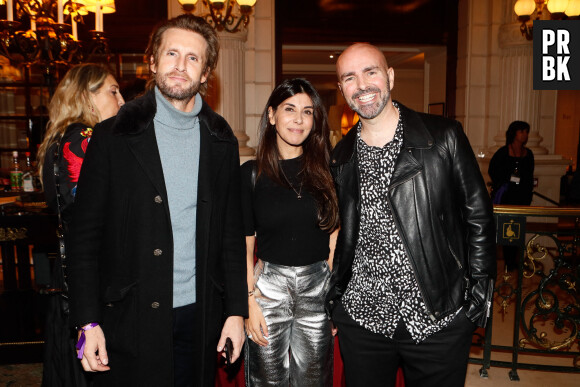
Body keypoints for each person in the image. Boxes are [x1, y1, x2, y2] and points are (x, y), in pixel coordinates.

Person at [66, 14, 247, 386]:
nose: (181, 66)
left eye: (193, 58)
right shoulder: (112, 136)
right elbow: (83, 237)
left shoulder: (221, 140)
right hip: (128, 317)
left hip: (199, 316)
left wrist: (235, 313)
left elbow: (230, 236)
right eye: (172, 54)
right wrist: (87, 321)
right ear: (152, 61)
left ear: (205, 73)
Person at [327, 43, 496, 387]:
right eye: (349, 77)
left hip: (439, 317)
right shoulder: (341, 155)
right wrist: (337, 300)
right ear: (342, 88)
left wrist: (479, 296)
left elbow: (479, 216)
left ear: (389, 76)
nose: (361, 85)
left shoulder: (443, 136)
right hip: (363, 320)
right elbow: (341, 232)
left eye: (370, 72)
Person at [241, 78, 339, 386]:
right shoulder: (251, 174)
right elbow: (244, 247)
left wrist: (332, 297)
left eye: (308, 112)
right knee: (266, 380)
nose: (299, 119)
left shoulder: (329, 171)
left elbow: (334, 239)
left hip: (317, 289)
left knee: (314, 380)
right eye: (290, 109)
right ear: (271, 116)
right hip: (268, 289)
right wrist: (249, 302)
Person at [37, 63, 124, 387]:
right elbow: (97, 216)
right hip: (93, 277)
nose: (122, 100)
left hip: (70, 272)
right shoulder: (85, 140)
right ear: (88, 97)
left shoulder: (59, 138)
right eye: (112, 91)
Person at [488, 120, 535, 270]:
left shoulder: (528, 154)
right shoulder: (503, 152)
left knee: (518, 231)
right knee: (505, 230)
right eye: (522, 131)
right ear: (514, 133)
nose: (525, 135)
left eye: (526, 132)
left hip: (520, 199)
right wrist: (506, 180)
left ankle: (514, 262)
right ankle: (508, 262)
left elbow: (528, 177)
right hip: (505, 198)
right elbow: (493, 171)